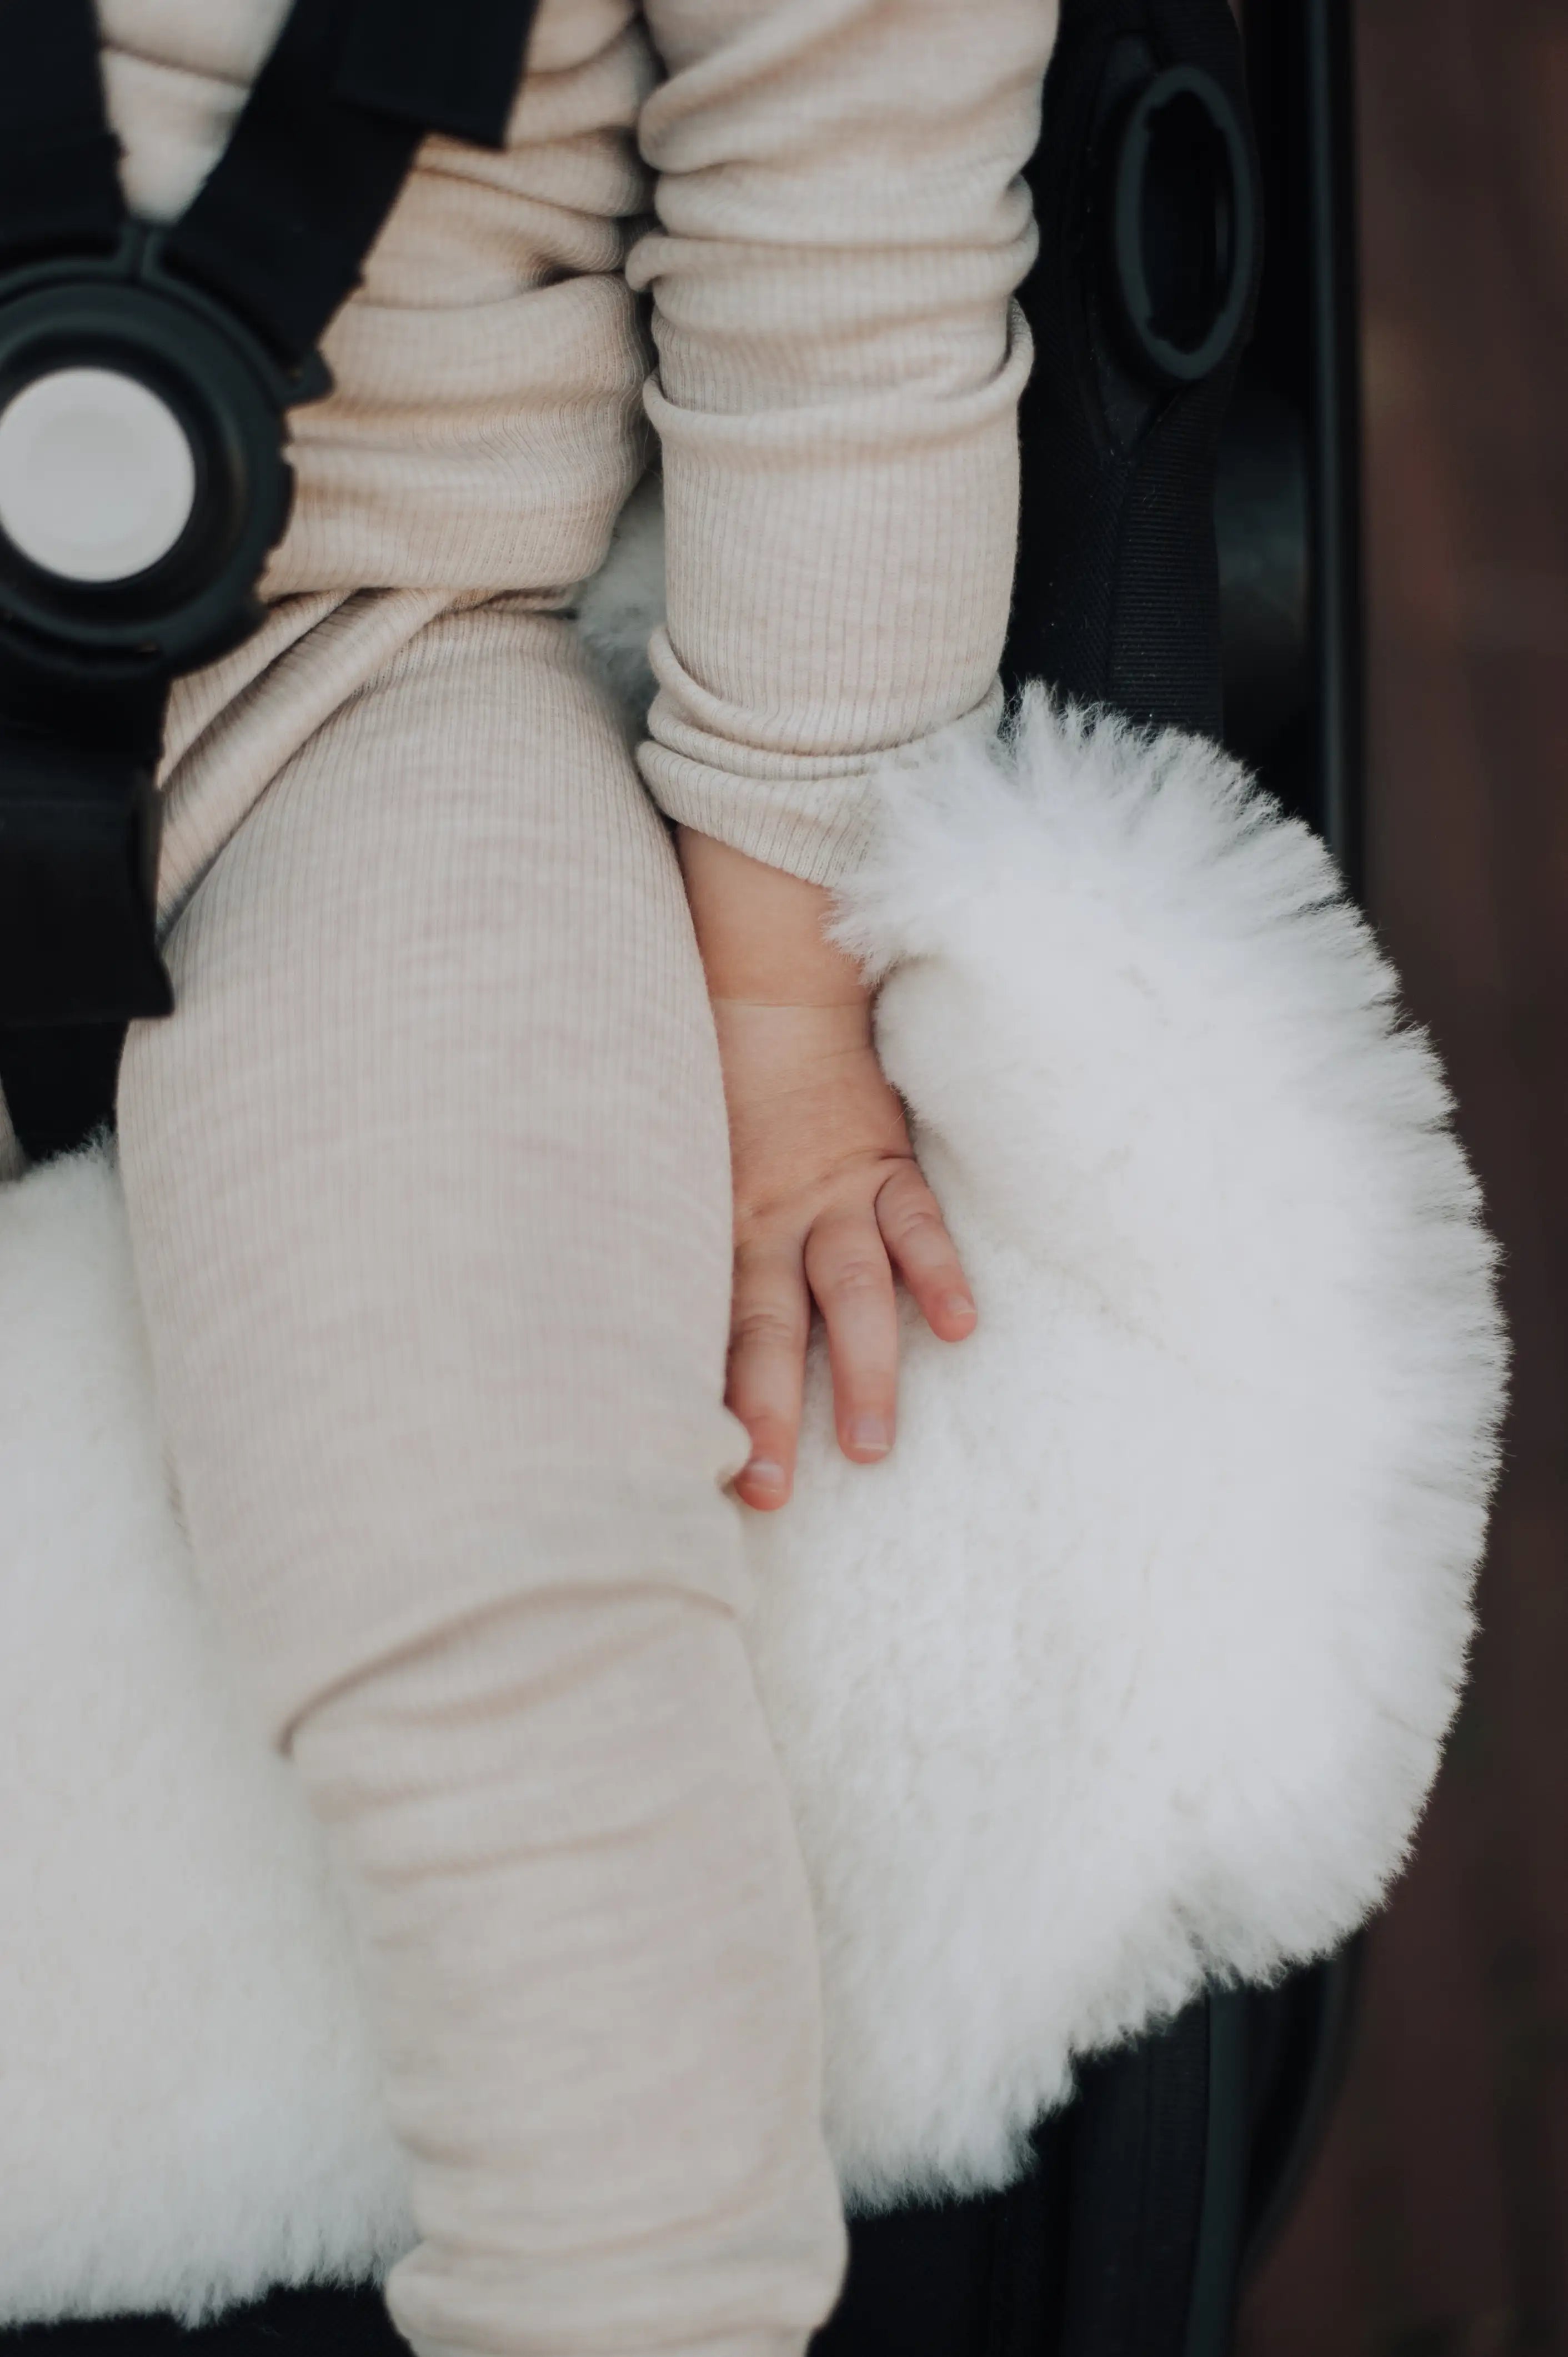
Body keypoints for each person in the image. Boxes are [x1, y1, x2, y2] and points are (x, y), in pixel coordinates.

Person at [4, 0, 1056, 2348]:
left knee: (487, 1501)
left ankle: (630, 2277)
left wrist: (782, 994)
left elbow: (849, 237)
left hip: (364, 667)